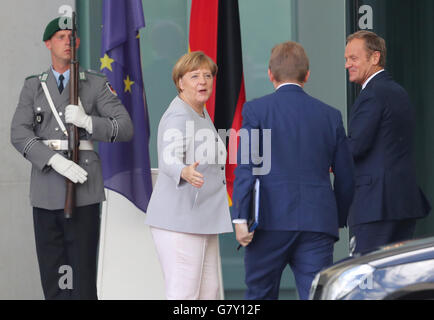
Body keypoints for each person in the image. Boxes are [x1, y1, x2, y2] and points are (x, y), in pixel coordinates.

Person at [10, 17, 133, 300]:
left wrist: (89, 122)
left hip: (83, 188)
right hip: (46, 187)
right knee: (53, 274)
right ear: (48, 43)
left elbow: (125, 127)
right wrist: (54, 160)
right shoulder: (34, 86)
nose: (67, 41)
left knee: (83, 274)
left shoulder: (95, 84)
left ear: (77, 44)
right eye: (60, 36)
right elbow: (18, 133)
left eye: (71, 37)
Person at [232, 41, 355, 300]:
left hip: (268, 221)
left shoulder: (256, 110)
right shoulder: (330, 115)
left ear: (270, 74)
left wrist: (241, 217)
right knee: (317, 295)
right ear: (307, 75)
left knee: (259, 297)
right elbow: (346, 175)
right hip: (317, 221)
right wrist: (337, 217)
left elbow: (247, 166)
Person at [145, 51, 233, 300]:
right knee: (184, 294)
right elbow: (168, 156)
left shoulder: (200, 113)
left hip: (201, 217)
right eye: (194, 76)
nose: (203, 81)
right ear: (180, 83)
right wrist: (183, 170)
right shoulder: (179, 115)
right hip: (180, 220)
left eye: (207, 75)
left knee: (209, 292)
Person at [344, 30, 431, 255]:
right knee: (394, 279)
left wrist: (327, 158)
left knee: (367, 278)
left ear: (375, 58)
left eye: (353, 58)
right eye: (346, 59)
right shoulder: (398, 91)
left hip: (375, 206)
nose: (347, 65)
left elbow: (356, 146)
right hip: (402, 203)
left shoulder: (372, 94)